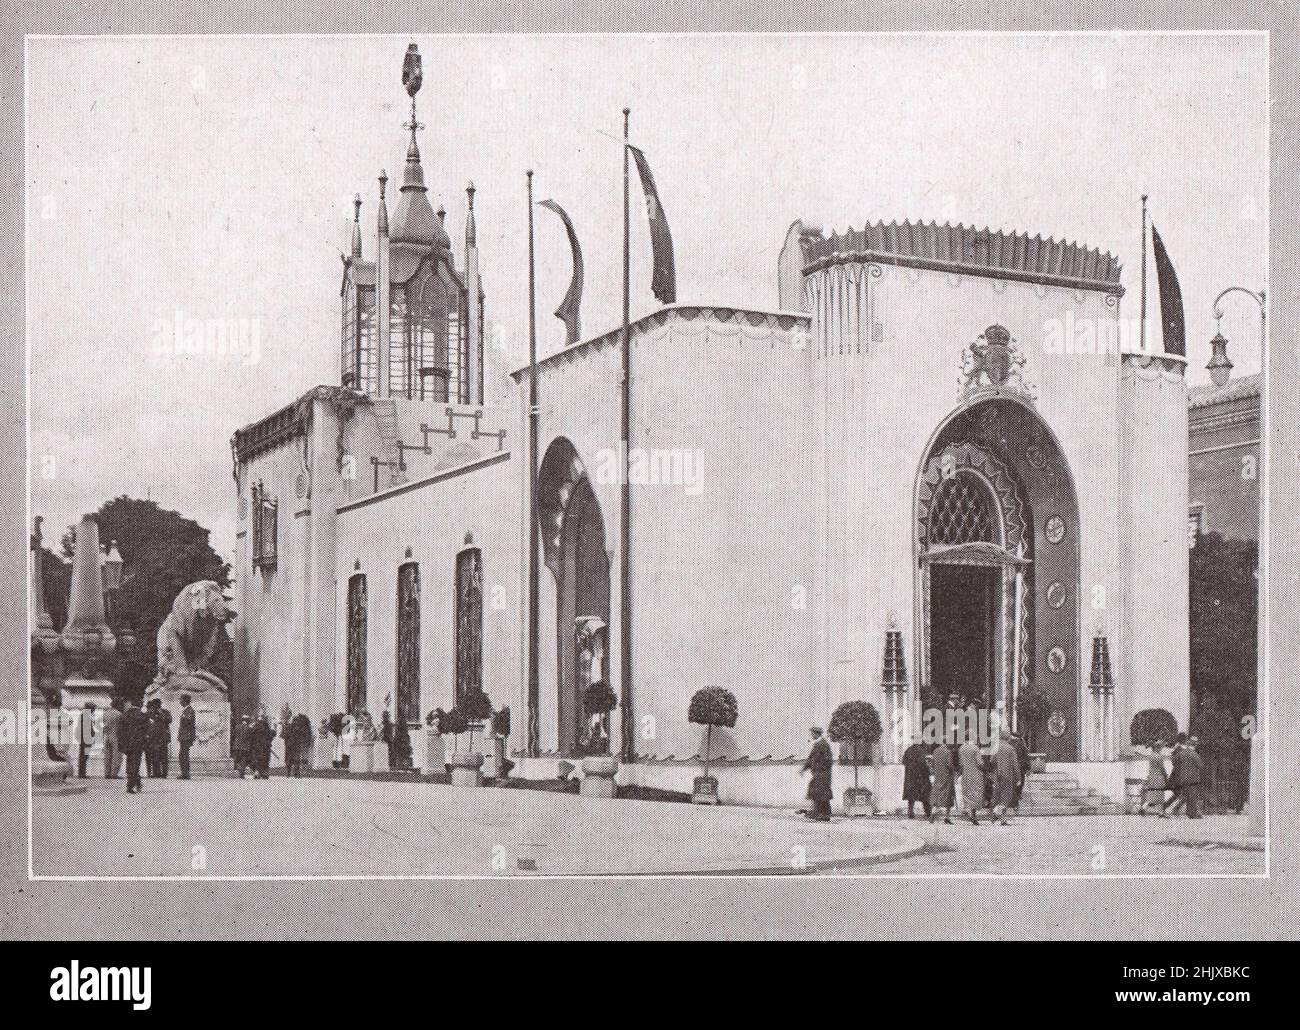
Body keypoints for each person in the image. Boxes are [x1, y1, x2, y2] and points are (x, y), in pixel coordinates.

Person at [801, 726, 833, 821]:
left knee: (822, 793)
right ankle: (819, 812)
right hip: (818, 773)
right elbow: (811, 759)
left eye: (812, 734)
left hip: (822, 774)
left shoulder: (823, 744)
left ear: (816, 734)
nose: (811, 735)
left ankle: (823, 814)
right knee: (816, 792)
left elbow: (828, 760)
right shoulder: (818, 744)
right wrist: (804, 769)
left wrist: (821, 769)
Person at [991, 728, 1021, 825]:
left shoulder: (995, 747)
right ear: (1008, 738)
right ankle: (997, 814)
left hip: (997, 774)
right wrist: (1018, 778)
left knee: (998, 795)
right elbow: (1015, 764)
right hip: (1008, 775)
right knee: (1006, 796)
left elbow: (992, 761)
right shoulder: (1010, 749)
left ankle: (1001, 818)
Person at [120, 700, 150, 794]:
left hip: (128, 743)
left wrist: (122, 744)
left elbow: (120, 731)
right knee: (135, 764)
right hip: (138, 743)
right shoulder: (143, 716)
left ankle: (136, 782)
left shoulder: (124, 715)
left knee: (129, 763)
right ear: (140, 704)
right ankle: (130, 785)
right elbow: (148, 731)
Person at [901, 733, 932, 819]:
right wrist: (927, 771)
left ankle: (910, 813)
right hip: (921, 777)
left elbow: (904, 762)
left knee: (911, 797)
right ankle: (928, 812)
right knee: (925, 795)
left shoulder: (908, 750)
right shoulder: (922, 750)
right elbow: (924, 764)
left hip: (910, 777)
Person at [958, 733, 985, 825]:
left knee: (967, 792)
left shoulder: (961, 748)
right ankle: (973, 814)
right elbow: (980, 763)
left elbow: (961, 763)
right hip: (975, 773)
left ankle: (967, 810)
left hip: (966, 773)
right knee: (975, 793)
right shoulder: (975, 748)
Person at [1138, 737, 1170, 815]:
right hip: (1159, 777)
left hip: (1151, 776)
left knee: (1151, 794)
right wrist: (1166, 776)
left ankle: (1143, 807)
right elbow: (1162, 768)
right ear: (1158, 748)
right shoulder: (1160, 757)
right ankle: (1161, 812)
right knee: (1160, 794)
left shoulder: (1151, 756)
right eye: (1161, 748)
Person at [1176, 736, 1205, 819]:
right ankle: (1192, 813)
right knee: (1192, 795)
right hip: (1193, 778)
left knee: (1188, 795)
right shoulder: (1194, 754)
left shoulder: (1182, 753)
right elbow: (1200, 765)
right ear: (1195, 745)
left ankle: (1189, 812)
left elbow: (1175, 761)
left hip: (1183, 777)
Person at [929, 740, 956, 824]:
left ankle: (933, 812)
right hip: (947, 776)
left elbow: (932, 764)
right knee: (948, 795)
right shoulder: (948, 752)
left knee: (936, 794)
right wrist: (953, 771)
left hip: (938, 776)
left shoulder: (935, 751)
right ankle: (947, 817)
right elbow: (949, 765)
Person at [1162, 733, 1188, 816]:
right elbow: (1175, 762)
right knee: (1183, 794)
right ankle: (1172, 809)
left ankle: (1167, 807)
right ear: (1184, 740)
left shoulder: (1178, 749)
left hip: (1178, 775)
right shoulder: (1179, 750)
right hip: (1179, 776)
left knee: (1178, 794)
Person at [145, 699, 172, 778]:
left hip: (163, 737)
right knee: (155, 756)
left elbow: (169, 720)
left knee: (164, 756)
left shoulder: (165, 712)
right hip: (153, 738)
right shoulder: (150, 713)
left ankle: (164, 773)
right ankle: (156, 773)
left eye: (158, 705)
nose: (156, 707)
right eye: (155, 705)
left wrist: (161, 714)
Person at [176, 694, 196, 779]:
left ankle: (185, 773)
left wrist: (184, 717)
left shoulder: (189, 710)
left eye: (181, 699)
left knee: (184, 755)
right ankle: (184, 773)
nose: (179, 701)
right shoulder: (186, 710)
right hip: (184, 736)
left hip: (186, 736)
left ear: (185, 701)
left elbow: (189, 721)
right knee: (183, 755)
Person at [288, 711, 313, 777]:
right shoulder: (300, 726)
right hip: (297, 743)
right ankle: (296, 772)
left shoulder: (293, 726)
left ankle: (293, 772)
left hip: (294, 743)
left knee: (295, 757)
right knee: (297, 757)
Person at [102, 699, 122, 779]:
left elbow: (103, 725)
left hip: (107, 736)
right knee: (116, 756)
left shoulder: (105, 713)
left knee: (107, 755)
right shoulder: (119, 714)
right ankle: (114, 774)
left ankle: (107, 773)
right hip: (116, 736)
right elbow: (121, 726)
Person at [250, 708, 273, 779]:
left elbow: (251, 735)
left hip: (256, 746)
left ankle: (257, 772)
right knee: (265, 759)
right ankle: (264, 773)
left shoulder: (255, 726)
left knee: (256, 759)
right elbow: (270, 736)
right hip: (265, 746)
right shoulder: (266, 726)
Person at [77, 703, 97, 779]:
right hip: (85, 739)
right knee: (84, 757)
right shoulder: (86, 716)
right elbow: (87, 729)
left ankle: (82, 773)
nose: (94, 711)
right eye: (93, 709)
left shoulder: (84, 715)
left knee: (83, 756)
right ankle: (82, 774)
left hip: (83, 739)